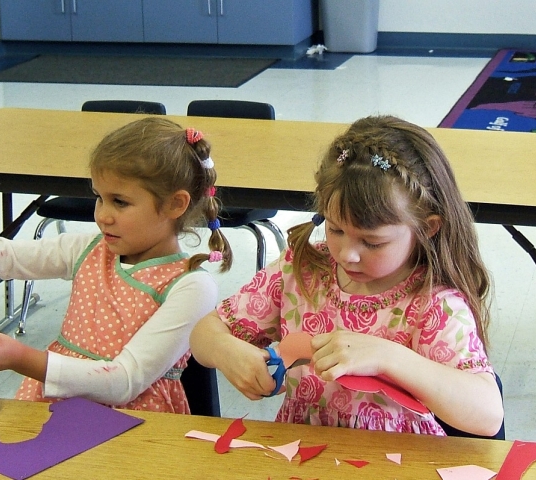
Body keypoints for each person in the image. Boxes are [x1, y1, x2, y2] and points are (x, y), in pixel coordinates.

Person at [190, 115, 504, 436]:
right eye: (336, 229)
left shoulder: (433, 303)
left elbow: (488, 415)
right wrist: (225, 351)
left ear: (427, 227)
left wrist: (390, 357)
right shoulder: (303, 269)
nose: (347, 254)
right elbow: (203, 334)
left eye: (372, 241)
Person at [0, 117, 232, 414]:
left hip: (134, 425)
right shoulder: (88, 249)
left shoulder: (191, 286)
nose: (102, 214)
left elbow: (123, 382)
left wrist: (21, 359)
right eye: (99, 197)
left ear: (176, 204)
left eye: (120, 201)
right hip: (54, 411)